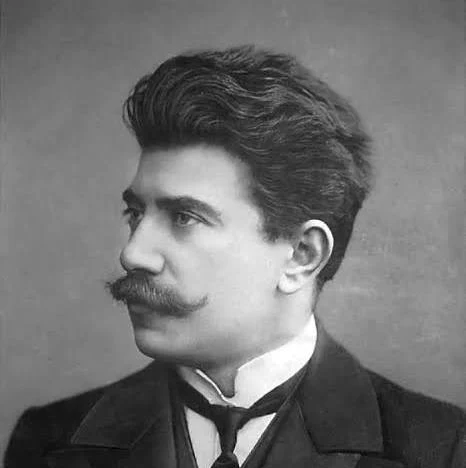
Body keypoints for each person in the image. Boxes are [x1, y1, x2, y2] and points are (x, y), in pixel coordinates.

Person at [5, 45, 465, 468]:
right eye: (136, 214)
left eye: (184, 217)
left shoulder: (440, 449)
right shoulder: (48, 440)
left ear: (302, 255)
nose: (133, 254)